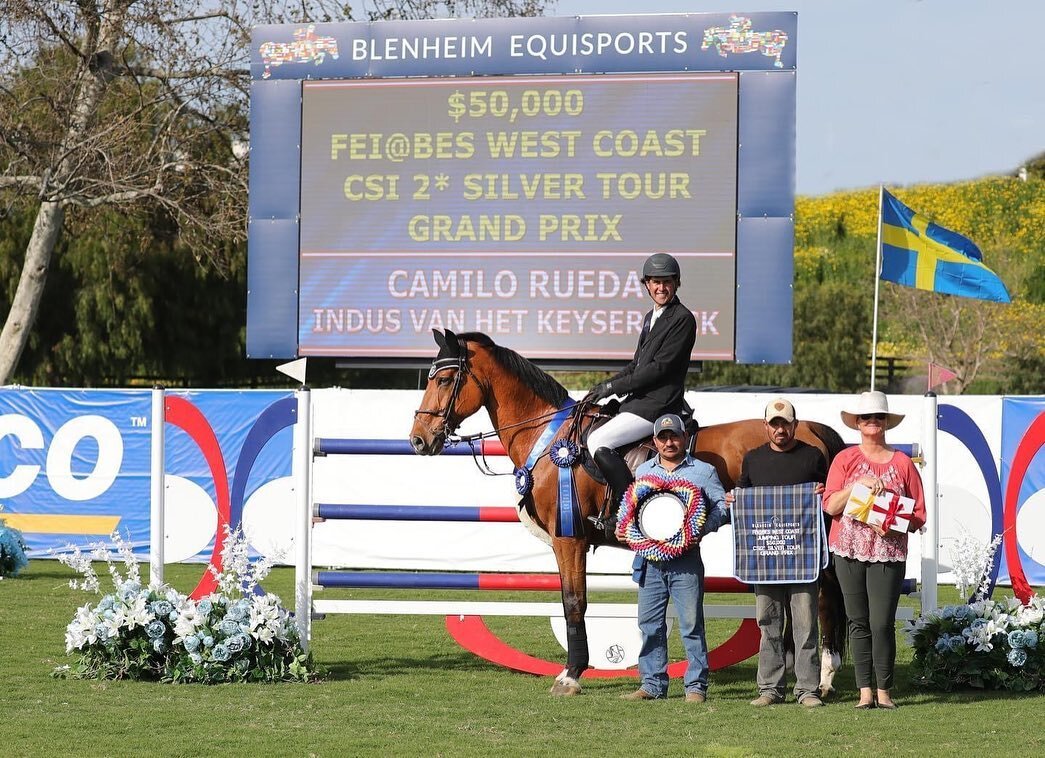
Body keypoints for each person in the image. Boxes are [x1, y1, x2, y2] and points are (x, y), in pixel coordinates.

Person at [822, 391, 926, 710]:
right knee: (857, 621)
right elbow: (830, 504)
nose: (872, 423)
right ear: (857, 423)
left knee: (882, 622)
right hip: (848, 550)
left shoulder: (903, 463)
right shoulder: (845, 460)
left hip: (889, 553)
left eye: (878, 417)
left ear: (885, 423)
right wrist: (856, 487)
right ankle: (864, 691)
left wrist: (893, 520)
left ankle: (885, 690)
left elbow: (918, 514)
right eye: (866, 418)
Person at [621, 413, 730, 703]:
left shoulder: (703, 471)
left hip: (686, 560)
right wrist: (627, 531)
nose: (669, 442)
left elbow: (721, 506)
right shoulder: (643, 470)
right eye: (663, 437)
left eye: (674, 436)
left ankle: (695, 686)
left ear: (684, 437)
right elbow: (634, 509)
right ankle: (652, 684)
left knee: (691, 624)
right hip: (649, 561)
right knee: (649, 624)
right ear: (655, 441)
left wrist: (701, 529)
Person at [586, 253, 697, 532]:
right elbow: (637, 365)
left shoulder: (683, 319)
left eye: (667, 282)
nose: (661, 288)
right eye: (656, 282)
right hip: (641, 400)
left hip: (659, 404)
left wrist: (614, 387)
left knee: (599, 440)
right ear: (646, 284)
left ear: (677, 283)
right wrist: (605, 387)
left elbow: (658, 370)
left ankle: (632, 511)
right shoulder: (651, 317)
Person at [729, 398, 827, 708]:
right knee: (767, 622)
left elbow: (829, 495)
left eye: (786, 423)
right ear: (766, 426)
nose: (780, 429)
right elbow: (742, 496)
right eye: (775, 423)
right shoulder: (753, 459)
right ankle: (769, 688)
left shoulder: (813, 456)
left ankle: (808, 689)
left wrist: (824, 492)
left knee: (806, 625)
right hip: (765, 557)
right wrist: (735, 499)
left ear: (795, 425)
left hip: (803, 556)